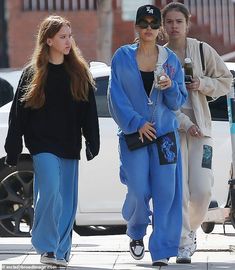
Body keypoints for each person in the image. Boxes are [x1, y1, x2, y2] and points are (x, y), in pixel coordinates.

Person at [4, 15, 100, 267]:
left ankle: (60, 251)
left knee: (67, 201)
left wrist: (92, 140)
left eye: (70, 36)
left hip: (69, 145)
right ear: (48, 40)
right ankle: (47, 247)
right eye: (62, 37)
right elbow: (18, 114)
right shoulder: (32, 74)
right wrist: (12, 149)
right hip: (42, 145)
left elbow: (88, 111)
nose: (69, 41)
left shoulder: (79, 72)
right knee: (50, 192)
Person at [108, 4, 187, 267]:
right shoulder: (122, 57)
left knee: (167, 193)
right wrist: (137, 122)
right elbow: (115, 97)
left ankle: (162, 249)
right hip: (135, 136)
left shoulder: (171, 60)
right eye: (144, 24)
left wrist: (170, 86)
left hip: (165, 137)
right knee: (138, 189)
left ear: (160, 28)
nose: (149, 29)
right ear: (136, 27)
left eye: (154, 25)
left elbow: (177, 102)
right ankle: (136, 231)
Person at [162, 2, 233, 264]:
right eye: (168, 21)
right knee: (178, 189)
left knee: (202, 190)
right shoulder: (160, 54)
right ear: (163, 25)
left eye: (178, 21)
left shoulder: (202, 50)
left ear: (187, 23)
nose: (173, 26)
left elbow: (226, 81)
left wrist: (202, 83)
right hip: (172, 130)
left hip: (201, 130)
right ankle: (183, 242)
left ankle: (191, 229)